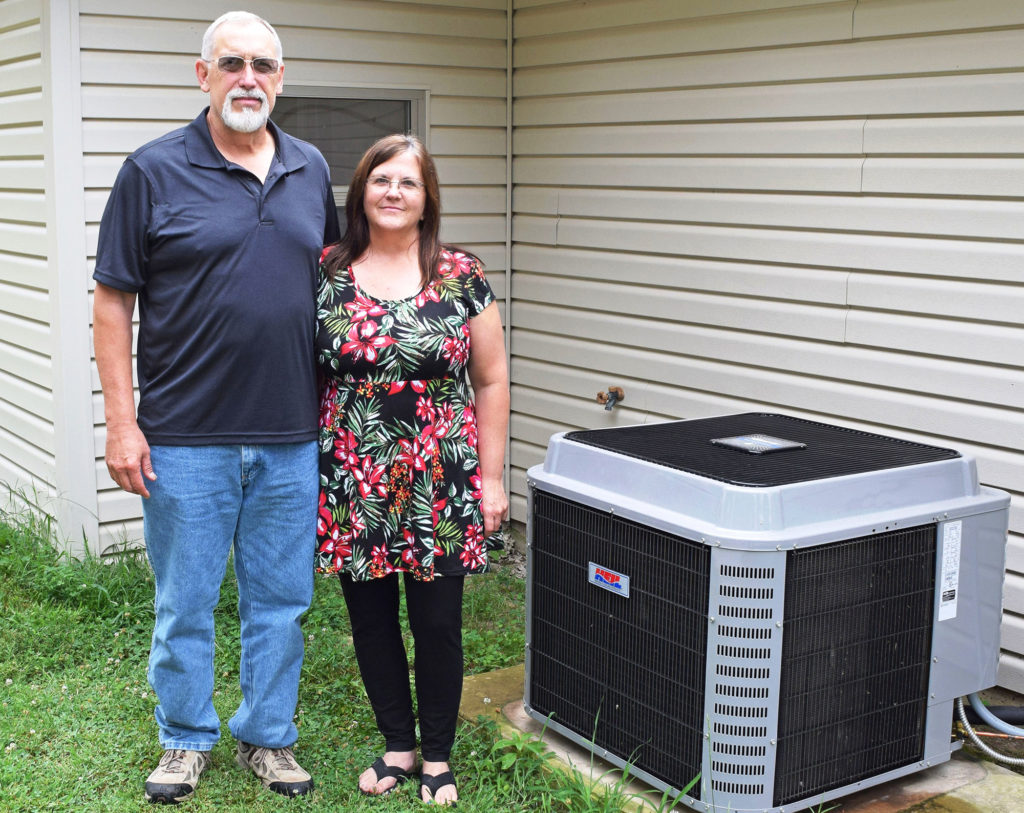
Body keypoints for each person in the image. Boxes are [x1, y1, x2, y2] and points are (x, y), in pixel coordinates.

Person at [92, 10, 340, 805]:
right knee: (185, 599)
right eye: (231, 63)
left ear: (280, 78)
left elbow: (333, 289)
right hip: (185, 435)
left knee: (281, 601)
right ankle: (184, 736)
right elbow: (111, 303)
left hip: (292, 433)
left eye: (263, 65)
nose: (248, 78)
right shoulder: (152, 170)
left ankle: (268, 736)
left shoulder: (309, 168)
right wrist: (122, 421)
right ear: (203, 75)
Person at [315, 134, 510, 806]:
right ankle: (397, 744)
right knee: (370, 620)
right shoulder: (328, 273)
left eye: (408, 182)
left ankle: (437, 755)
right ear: (361, 191)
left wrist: (490, 476)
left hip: (441, 477)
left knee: (436, 623)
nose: (393, 192)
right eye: (381, 179)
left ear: (428, 200)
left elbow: (491, 378)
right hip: (353, 477)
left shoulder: (461, 274)